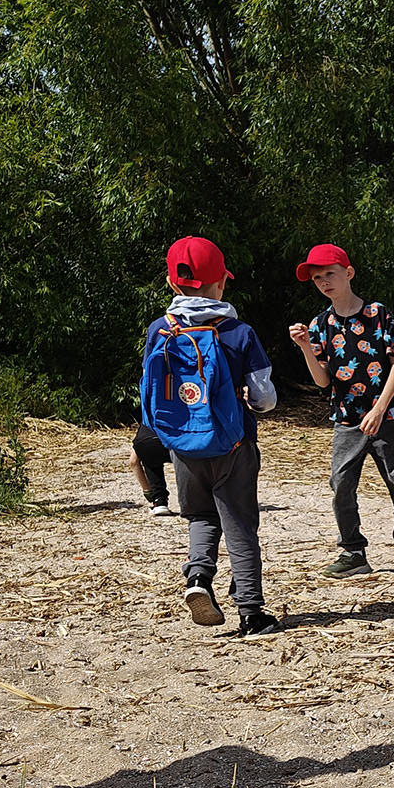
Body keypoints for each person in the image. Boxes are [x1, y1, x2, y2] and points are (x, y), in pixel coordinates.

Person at [142, 235, 280, 636]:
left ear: (173, 285)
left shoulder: (158, 330)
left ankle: (198, 580)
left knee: (200, 517)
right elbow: (264, 398)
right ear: (221, 282)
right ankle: (252, 613)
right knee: (239, 525)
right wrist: (252, 404)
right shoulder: (237, 332)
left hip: (182, 445)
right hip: (232, 445)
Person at [285, 243, 394, 577]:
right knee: (341, 483)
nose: (323, 282)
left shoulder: (378, 313)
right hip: (346, 419)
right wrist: (305, 347)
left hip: (386, 416)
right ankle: (353, 552)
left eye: (329, 274)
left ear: (348, 273)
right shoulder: (320, 324)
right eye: (317, 278)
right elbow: (322, 380)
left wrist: (379, 409)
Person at [129, 422, 171, 515]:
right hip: (177, 440)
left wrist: (147, 491)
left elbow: (133, 461)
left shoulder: (146, 422)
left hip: (148, 442)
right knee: (188, 462)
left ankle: (159, 501)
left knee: (149, 454)